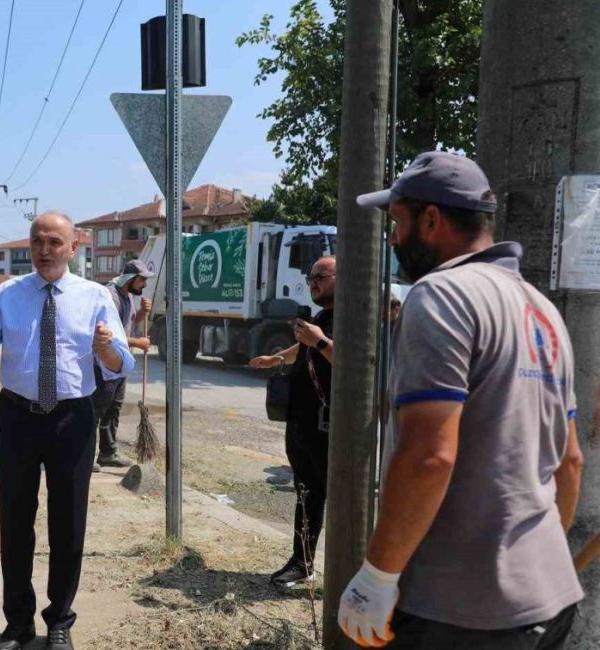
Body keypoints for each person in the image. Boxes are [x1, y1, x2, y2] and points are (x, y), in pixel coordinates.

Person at [337, 151, 583, 648]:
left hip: (461, 614)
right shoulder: (543, 310)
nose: (392, 238)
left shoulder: (440, 296)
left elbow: (430, 456)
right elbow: (571, 461)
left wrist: (378, 577)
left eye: (397, 222)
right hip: (548, 598)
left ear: (431, 219)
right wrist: (527, 563)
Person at [0, 212, 134, 650]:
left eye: (54, 242)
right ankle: (18, 621)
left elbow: (120, 364)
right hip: (18, 417)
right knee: (16, 520)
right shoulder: (7, 294)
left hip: (71, 419)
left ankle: (60, 619)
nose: (43, 250)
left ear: (73, 247)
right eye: (37, 241)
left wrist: (106, 349)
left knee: (68, 521)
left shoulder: (95, 296)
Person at [249, 255, 336, 587]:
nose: (313, 284)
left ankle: (348, 570)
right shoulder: (321, 317)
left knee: (332, 494)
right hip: (301, 420)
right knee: (306, 491)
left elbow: (358, 364)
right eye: (310, 279)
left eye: (320, 278)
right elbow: (304, 349)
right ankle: (302, 562)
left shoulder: (354, 316)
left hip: (328, 423)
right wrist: (276, 357)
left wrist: (321, 341)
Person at [91, 259, 154, 470]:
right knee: (96, 409)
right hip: (105, 365)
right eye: (142, 280)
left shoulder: (127, 296)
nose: (144, 284)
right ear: (131, 278)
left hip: (120, 366)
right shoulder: (111, 296)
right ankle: (85, 455)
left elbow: (128, 324)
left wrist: (143, 314)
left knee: (113, 408)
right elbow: (111, 336)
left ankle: (108, 453)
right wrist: (139, 343)